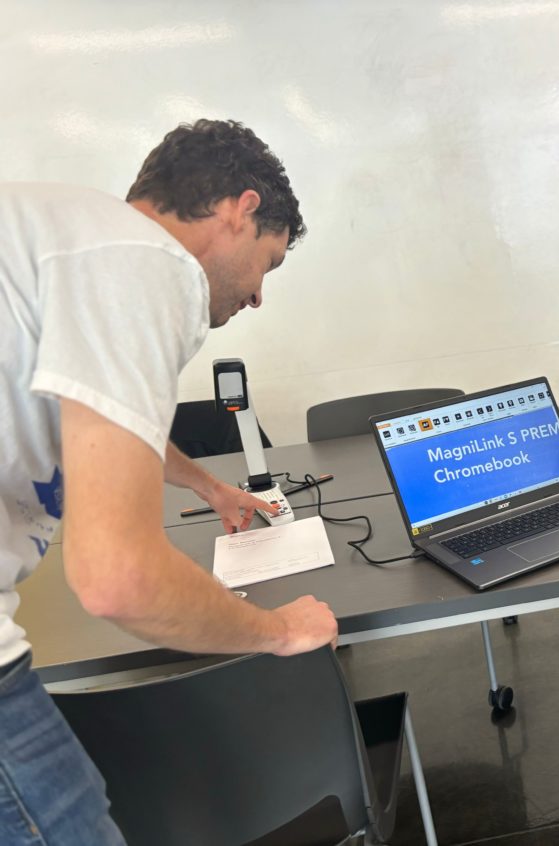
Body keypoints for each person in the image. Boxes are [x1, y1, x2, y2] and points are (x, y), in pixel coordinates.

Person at [0, 119, 339, 844]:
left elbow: (98, 414)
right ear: (237, 210)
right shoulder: (141, 264)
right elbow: (118, 580)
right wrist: (278, 631)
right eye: (267, 265)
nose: (256, 298)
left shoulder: (66, 237)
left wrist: (205, 485)